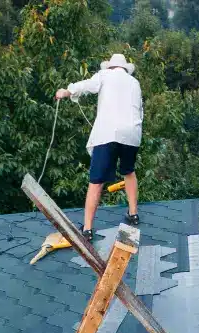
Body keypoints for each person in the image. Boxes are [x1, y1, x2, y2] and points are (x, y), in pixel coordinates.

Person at [55, 53, 143, 242]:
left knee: (96, 181)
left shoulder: (104, 76)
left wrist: (66, 92)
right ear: (124, 68)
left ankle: (87, 229)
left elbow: (86, 85)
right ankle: (133, 214)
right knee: (128, 171)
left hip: (108, 133)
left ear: (110, 67)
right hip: (132, 133)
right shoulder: (134, 83)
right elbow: (139, 109)